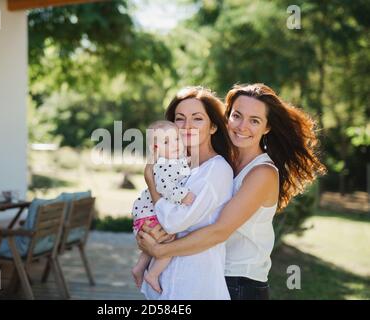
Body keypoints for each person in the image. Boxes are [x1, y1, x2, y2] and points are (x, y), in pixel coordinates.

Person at [138, 83, 326, 300]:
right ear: (226, 117)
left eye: (254, 121)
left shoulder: (262, 173)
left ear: (267, 128)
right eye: (237, 115)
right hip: (209, 273)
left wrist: (159, 251)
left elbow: (219, 231)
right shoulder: (221, 161)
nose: (242, 126)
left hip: (239, 282)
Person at [139, 86, 236, 300]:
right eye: (180, 119)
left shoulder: (217, 170)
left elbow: (173, 222)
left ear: (213, 127)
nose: (187, 126)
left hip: (194, 284)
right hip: (163, 284)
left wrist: (151, 183)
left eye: (197, 119)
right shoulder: (176, 166)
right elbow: (152, 218)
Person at [131, 120, 195, 293]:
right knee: (169, 244)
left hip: (145, 215)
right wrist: (183, 196)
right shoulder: (163, 163)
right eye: (167, 142)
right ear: (156, 148)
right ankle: (152, 274)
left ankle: (139, 267)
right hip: (149, 216)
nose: (174, 144)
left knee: (156, 242)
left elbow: (179, 170)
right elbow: (163, 186)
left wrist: (187, 161)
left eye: (176, 139)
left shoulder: (173, 161)